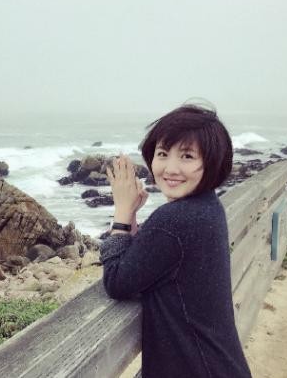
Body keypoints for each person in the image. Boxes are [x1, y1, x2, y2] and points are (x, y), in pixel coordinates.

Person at [100, 104, 252, 377]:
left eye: (187, 156)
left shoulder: (175, 219)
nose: (170, 168)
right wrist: (132, 215)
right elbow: (145, 264)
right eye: (162, 154)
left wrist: (121, 210)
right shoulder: (208, 207)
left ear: (212, 162)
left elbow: (117, 281)